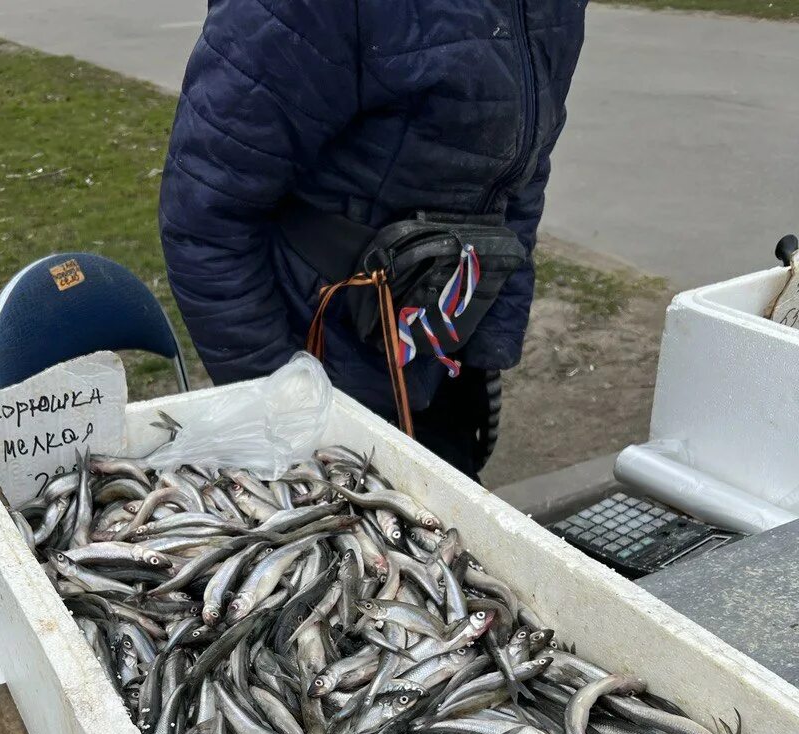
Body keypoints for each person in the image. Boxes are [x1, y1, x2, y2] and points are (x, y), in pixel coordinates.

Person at [160, 1, 587, 478]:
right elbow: (207, 212)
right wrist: (280, 403)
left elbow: (523, 170)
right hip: (316, 351)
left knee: (445, 532)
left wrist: (488, 340)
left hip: (443, 345)